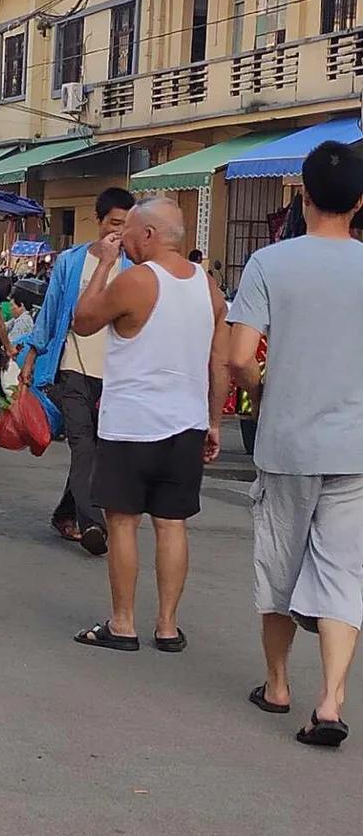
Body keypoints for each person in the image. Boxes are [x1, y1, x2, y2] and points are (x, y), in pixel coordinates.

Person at [229, 141, 363, 747]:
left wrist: (263, 386)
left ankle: (278, 684)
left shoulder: (269, 264)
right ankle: (331, 701)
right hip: (356, 447)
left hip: (286, 441)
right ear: (360, 203)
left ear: (302, 195)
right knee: (343, 572)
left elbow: (238, 359)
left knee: (279, 563)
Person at [71, 197, 228, 654]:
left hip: (133, 424)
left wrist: (103, 264)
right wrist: (214, 422)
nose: (127, 242)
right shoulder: (209, 287)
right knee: (172, 524)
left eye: (132, 233)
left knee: (122, 523)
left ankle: (122, 623)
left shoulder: (137, 279)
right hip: (188, 423)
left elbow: (83, 321)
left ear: (151, 235)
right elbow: (219, 362)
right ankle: (167, 625)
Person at [19, 188, 136, 556]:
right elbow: (52, 310)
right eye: (115, 223)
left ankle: (65, 512)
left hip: (117, 371)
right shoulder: (72, 262)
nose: (120, 231)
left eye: (127, 225)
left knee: (99, 449)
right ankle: (92, 522)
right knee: (82, 444)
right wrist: (31, 355)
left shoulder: (136, 268)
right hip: (72, 365)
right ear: (100, 222)